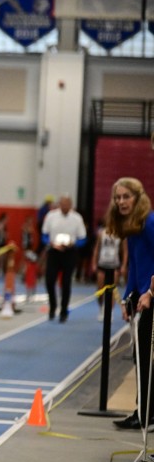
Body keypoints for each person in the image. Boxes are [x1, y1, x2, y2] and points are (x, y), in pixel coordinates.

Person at [105, 179, 154, 431]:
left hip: (151, 296)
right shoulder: (132, 226)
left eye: (126, 197)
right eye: (117, 197)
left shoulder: (149, 222)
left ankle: (147, 413)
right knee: (140, 356)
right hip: (141, 295)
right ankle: (143, 411)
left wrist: (150, 292)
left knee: (147, 356)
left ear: (137, 197)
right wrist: (128, 298)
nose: (121, 202)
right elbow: (135, 264)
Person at [41, 194, 87, 322]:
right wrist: (51, 243)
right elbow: (44, 235)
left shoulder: (77, 218)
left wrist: (73, 243)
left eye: (67, 204)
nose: (65, 206)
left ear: (71, 205)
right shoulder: (51, 216)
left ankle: (63, 310)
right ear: (59, 204)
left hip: (69, 253)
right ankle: (53, 306)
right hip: (54, 252)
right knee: (50, 280)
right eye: (62, 204)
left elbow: (83, 239)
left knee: (66, 282)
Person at [91, 220, 124, 320]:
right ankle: (101, 307)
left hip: (114, 264)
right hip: (102, 264)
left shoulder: (121, 233)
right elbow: (97, 248)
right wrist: (94, 263)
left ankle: (110, 311)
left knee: (112, 289)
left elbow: (124, 251)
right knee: (100, 289)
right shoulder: (102, 233)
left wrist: (123, 265)